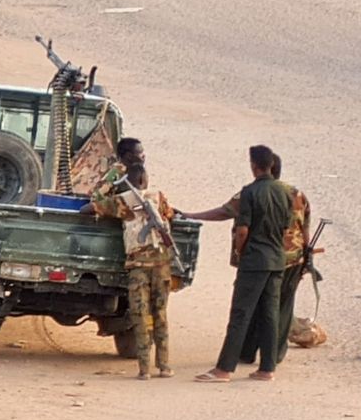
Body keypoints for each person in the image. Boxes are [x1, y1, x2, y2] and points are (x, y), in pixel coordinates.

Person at [181, 154, 310, 365]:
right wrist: (307, 257)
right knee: (280, 308)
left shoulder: (251, 192)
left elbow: (227, 213)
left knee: (248, 308)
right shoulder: (296, 194)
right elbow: (305, 228)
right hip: (291, 259)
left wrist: (191, 216)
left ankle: (244, 353)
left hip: (259, 260)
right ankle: (272, 358)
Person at [195, 145, 292, 383]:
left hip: (254, 260)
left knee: (241, 313)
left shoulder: (250, 192)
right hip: (277, 260)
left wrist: (241, 251)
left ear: (253, 165)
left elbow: (242, 230)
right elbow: (287, 230)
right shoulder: (286, 192)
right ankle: (267, 368)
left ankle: (224, 369)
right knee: (270, 313)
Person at [81, 138, 175, 380]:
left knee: (140, 316)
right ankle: (164, 366)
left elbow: (90, 207)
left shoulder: (124, 202)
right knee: (161, 315)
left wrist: (114, 204)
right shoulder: (158, 197)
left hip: (138, 267)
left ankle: (145, 370)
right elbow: (171, 214)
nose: (143, 156)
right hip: (162, 264)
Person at [90, 137, 145, 203]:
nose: (144, 155)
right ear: (129, 156)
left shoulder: (138, 170)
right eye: (140, 153)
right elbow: (96, 200)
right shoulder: (114, 174)